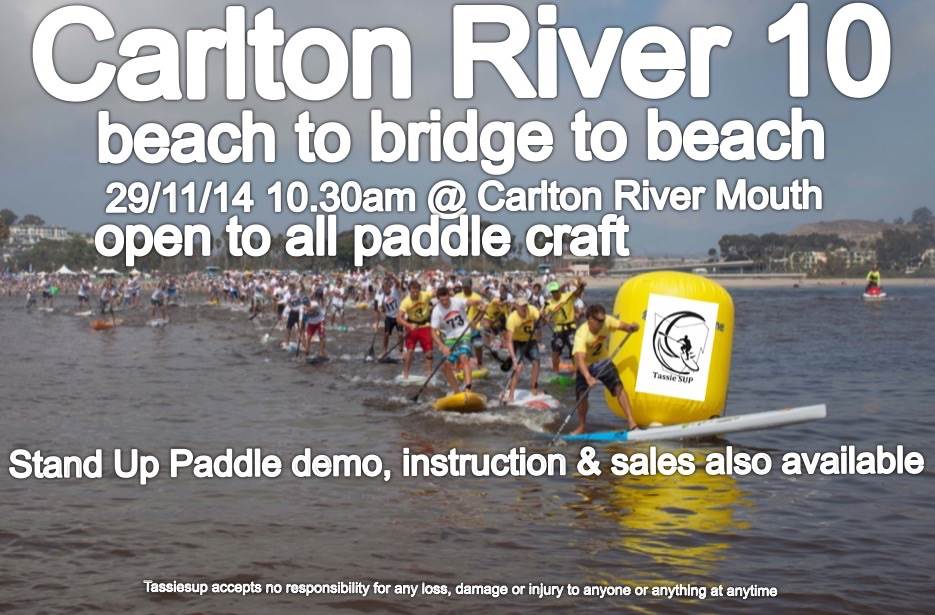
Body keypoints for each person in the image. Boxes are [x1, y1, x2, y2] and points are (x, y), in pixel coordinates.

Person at [571, 304, 640, 434]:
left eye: (603, 320)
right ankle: (581, 426)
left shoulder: (606, 321)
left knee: (618, 386)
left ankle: (632, 422)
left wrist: (631, 327)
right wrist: (588, 377)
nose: (602, 323)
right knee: (582, 397)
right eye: (599, 321)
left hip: (602, 362)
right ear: (590, 319)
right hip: (585, 365)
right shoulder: (581, 334)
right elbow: (580, 359)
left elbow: (621, 325)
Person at [430, 286, 484, 393]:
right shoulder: (436, 310)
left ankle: (468, 389)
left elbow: (471, 302)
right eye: (442, 300)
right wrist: (442, 346)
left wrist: (480, 303)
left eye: (446, 299)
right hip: (450, 338)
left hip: (464, 333)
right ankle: (456, 391)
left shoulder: (457, 301)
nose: (445, 302)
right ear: (438, 299)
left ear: (449, 296)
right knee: (445, 365)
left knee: (464, 357)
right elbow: (433, 332)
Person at [503, 297, 541, 402]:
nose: (524, 308)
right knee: (519, 367)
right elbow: (509, 341)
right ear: (516, 306)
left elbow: (540, 318)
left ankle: (534, 388)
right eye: (521, 306)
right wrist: (514, 359)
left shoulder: (532, 310)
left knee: (536, 362)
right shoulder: (512, 319)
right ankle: (511, 395)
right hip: (517, 342)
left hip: (531, 340)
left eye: (525, 305)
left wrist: (542, 319)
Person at [543, 279, 585, 372]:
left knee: (574, 351)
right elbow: (542, 315)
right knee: (555, 352)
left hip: (571, 328)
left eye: (556, 291)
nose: (555, 293)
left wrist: (581, 286)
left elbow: (577, 293)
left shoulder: (567, 296)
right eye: (553, 292)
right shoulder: (548, 303)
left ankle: (576, 373)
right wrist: (544, 318)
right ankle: (555, 373)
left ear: (559, 290)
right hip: (558, 330)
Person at [397, 280, 435, 380]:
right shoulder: (405, 302)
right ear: (409, 290)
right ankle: (405, 374)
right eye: (412, 291)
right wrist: (409, 325)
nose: (415, 293)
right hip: (412, 327)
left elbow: (436, 293)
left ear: (419, 289)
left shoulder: (425, 295)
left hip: (425, 326)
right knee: (409, 351)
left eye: (417, 291)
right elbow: (399, 318)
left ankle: (429, 374)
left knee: (429, 351)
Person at [455, 278, 486, 366]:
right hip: (461, 326)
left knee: (478, 345)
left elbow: (483, 311)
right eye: (464, 287)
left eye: (467, 287)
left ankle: (480, 363)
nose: (465, 289)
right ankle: (458, 365)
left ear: (471, 286)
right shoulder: (457, 297)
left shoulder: (477, 297)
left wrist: (475, 322)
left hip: (474, 326)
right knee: (460, 347)